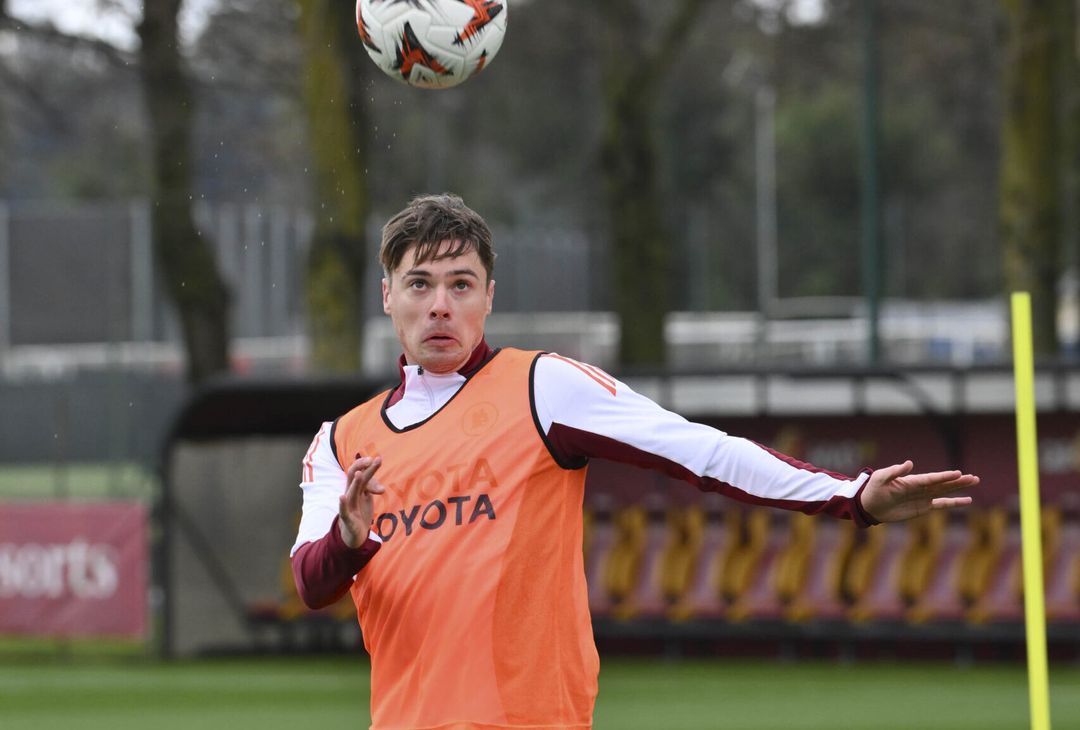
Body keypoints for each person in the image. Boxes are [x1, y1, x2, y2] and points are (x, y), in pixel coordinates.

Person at [290, 193, 979, 730]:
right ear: (387, 296)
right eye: (419, 284)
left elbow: (698, 451)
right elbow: (312, 583)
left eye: (461, 284)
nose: (440, 305)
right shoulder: (340, 442)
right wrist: (351, 540)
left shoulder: (543, 387)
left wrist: (849, 495)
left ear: (490, 296)